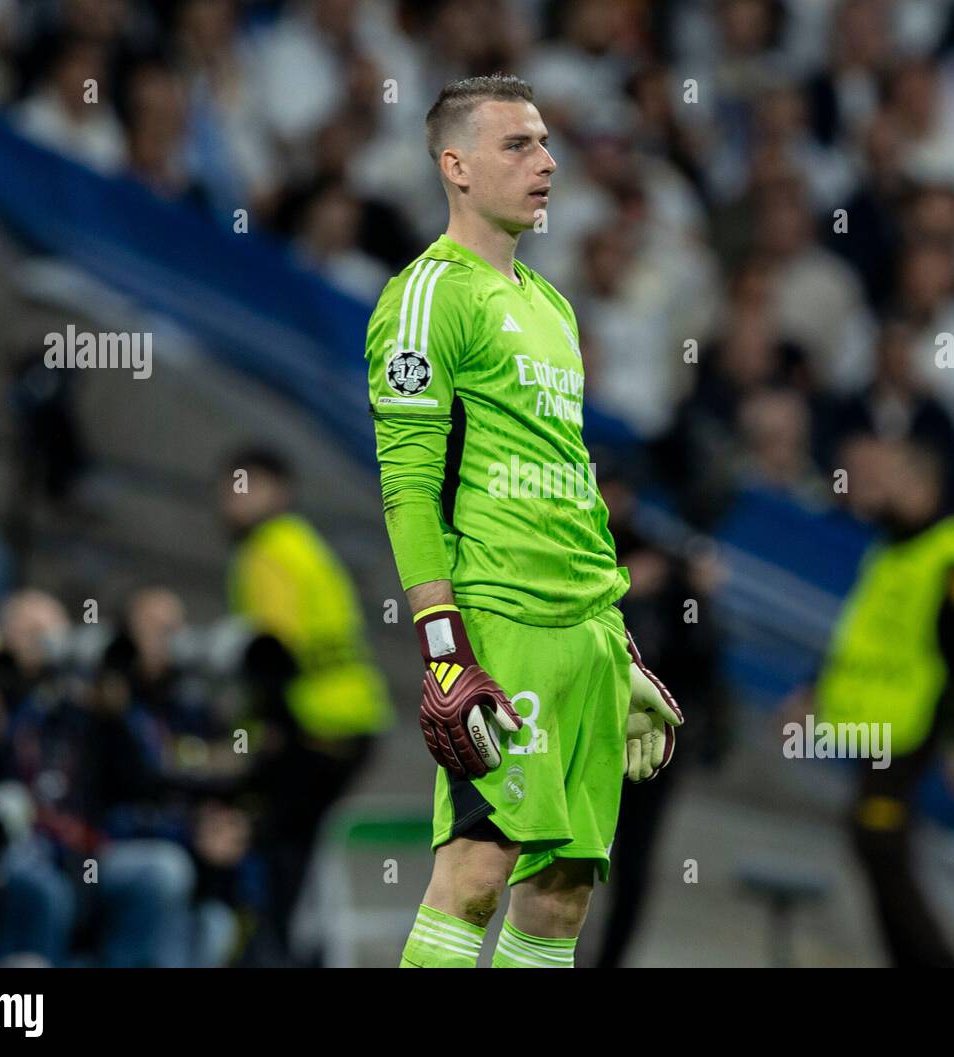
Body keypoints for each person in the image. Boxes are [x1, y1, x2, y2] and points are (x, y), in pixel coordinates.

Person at [364, 73, 684, 970]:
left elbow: (572, 488)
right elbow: (407, 485)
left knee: (562, 892)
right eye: (519, 145)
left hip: (583, 630)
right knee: (476, 868)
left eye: (546, 144)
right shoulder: (430, 296)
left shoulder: (552, 307)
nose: (547, 162)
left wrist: (614, 645)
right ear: (455, 166)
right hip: (499, 623)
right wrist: (442, 644)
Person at [812, 440, 954, 967]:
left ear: (923, 487)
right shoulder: (892, 547)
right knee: (876, 848)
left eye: (893, 479)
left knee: (879, 841)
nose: (880, 489)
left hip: (911, 726)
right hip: (874, 723)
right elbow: (859, 633)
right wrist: (812, 692)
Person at [219, 447, 391, 965]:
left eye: (247, 486)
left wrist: (259, 728)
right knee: (292, 848)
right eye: (229, 486)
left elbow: (274, 652)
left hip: (315, 723)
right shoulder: (304, 543)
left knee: (272, 850)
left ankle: (266, 955)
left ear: (279, 492)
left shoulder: (266, 551)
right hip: (357, 719)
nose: (233, 499)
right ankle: (287, 950)